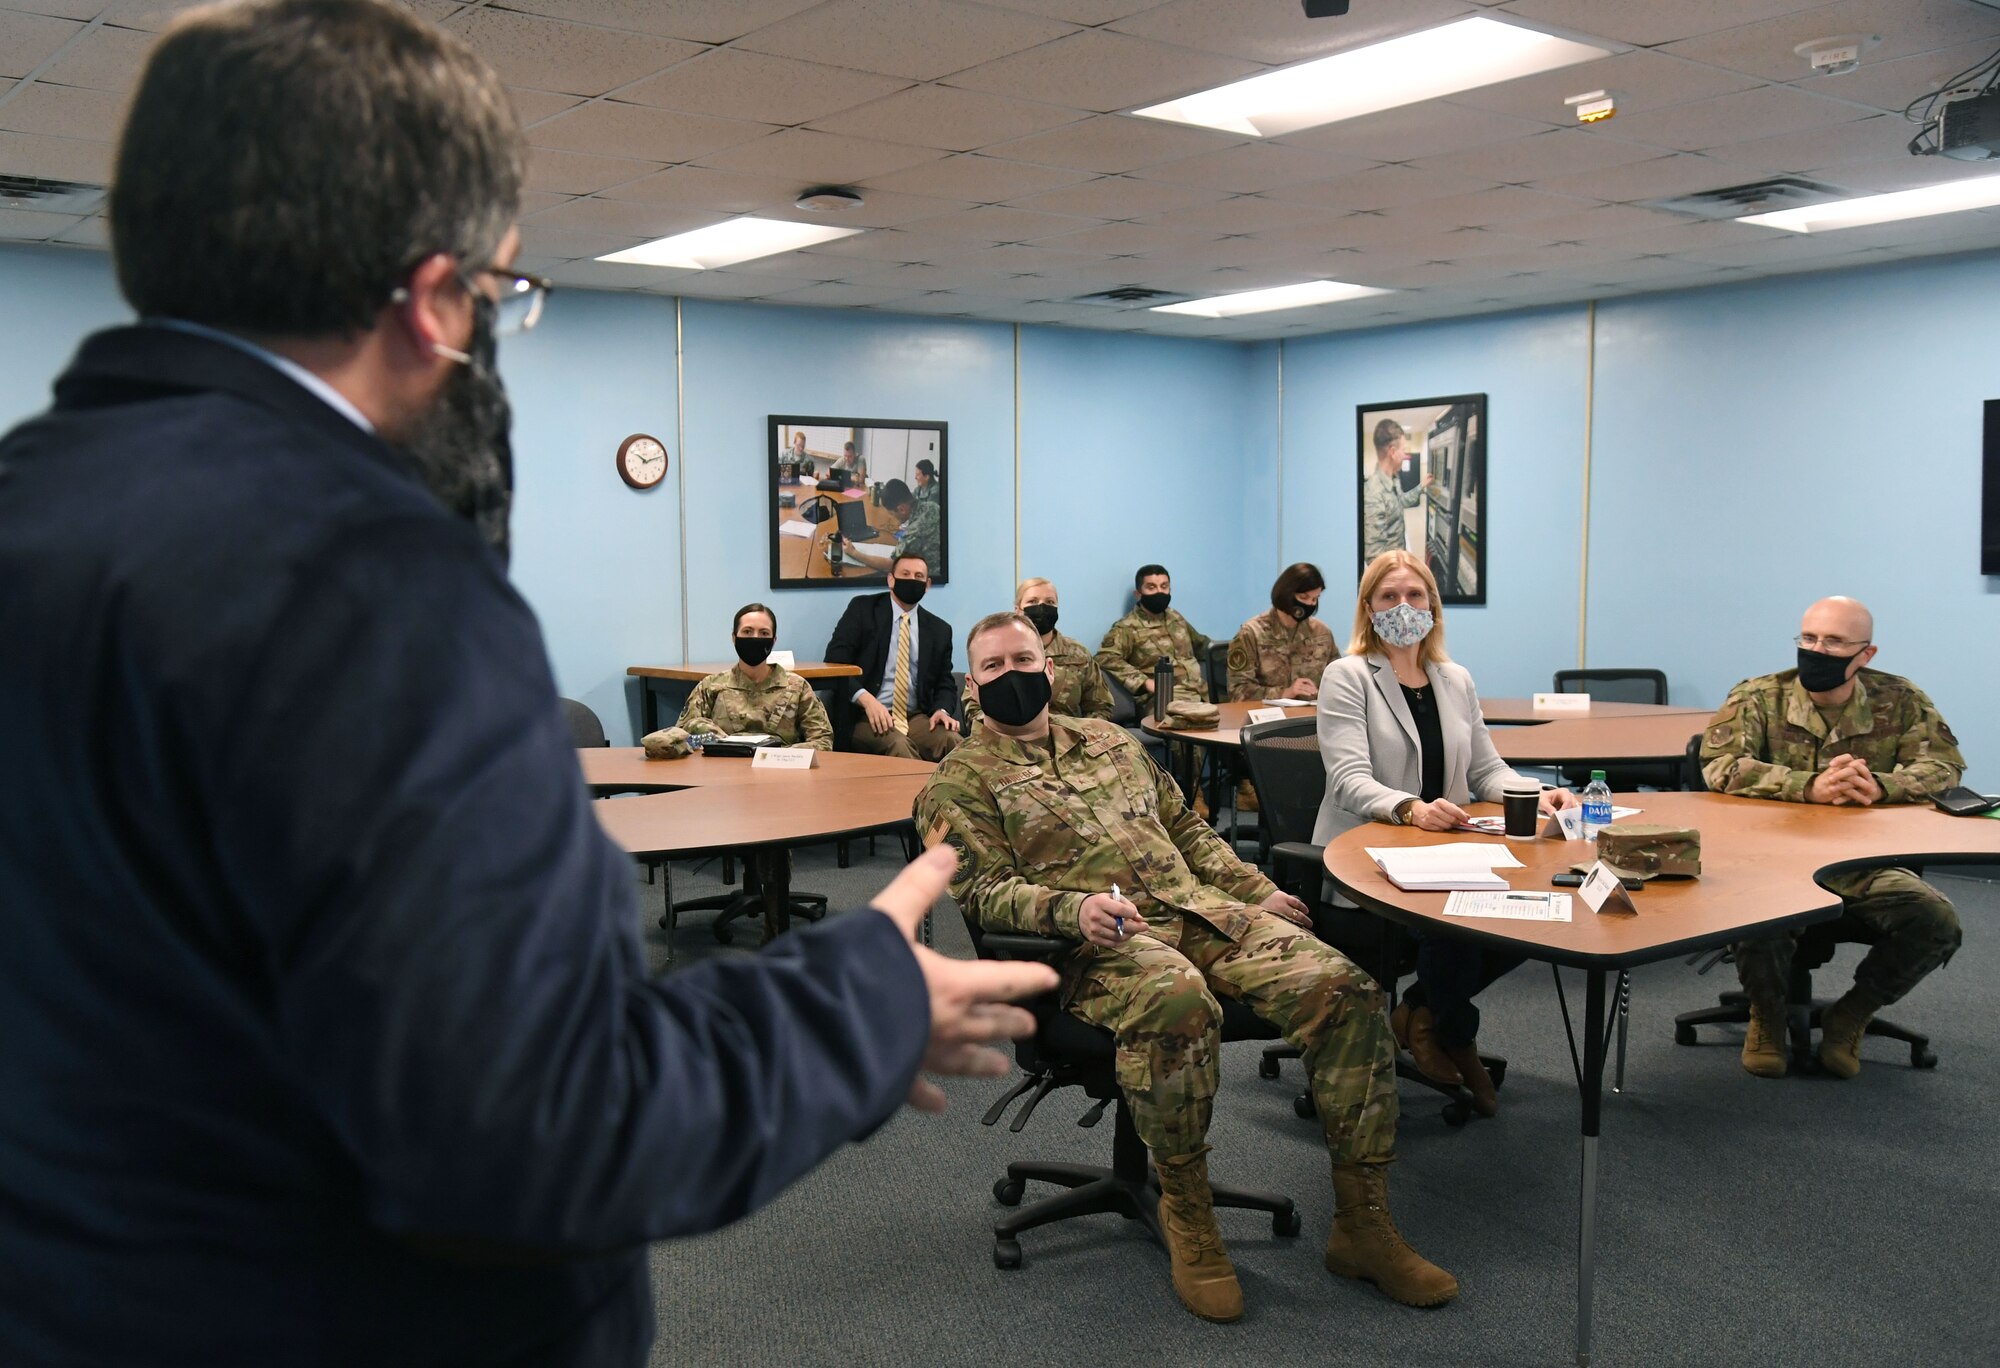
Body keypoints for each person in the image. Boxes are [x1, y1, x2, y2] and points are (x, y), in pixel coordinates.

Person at [0, 4, 1057, 1364]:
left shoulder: (34, 506)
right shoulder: (372, 578)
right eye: (503, 295)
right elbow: (530, 1132)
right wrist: (859, 1005)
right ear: (434, 298)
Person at [919, 612, 1458, 1323]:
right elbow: (984, 893)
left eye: (1025, 659)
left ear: (1050, 669)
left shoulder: (1114, 742)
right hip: (1094, 946)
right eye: (994, 667)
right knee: (1180, 1000)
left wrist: (1254, 889)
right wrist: (1069, 909)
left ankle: (1363, 1224)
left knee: (1344, 987)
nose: (1013, 675)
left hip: (1198, 911)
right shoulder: (959, 780)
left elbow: (1189, 831)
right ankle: (1189, 1215)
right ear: (971, 683)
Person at [1311, 551, 1575, 1116]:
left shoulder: (1454, 679)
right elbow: (1349, 781)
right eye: (1388, 597)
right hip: (1370, 856)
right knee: (1451, 928)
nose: (1403, 607)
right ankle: (1455, 1035)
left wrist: (1534, 792)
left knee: (1535, 910)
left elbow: (1485, 771)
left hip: (1451, 848)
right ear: (1368, 607)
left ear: (1432, 605)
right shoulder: (1348, 675)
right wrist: (1410, 808)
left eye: (1415, 595)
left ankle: (1424, 1010)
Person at [1701, 595, 1966, 1080]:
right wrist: (1808, 786)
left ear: (1866, 654)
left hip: (1862, 860)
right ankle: (1768, 1017)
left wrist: (1884, 785)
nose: (1817, 650)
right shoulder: (1759, 696)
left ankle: (1850, 1016)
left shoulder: (1900, 699)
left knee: (1936, 921)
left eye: (1835, 641)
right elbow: (1719, 766)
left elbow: (1944, 766)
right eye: (1809, 638)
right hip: (1772, 858)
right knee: (1758, 914)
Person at [646, 604, 835, 941]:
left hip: (777, 791)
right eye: (747, 633)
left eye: (763, 634)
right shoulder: (712, 686)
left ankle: (775, 932)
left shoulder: (796, 687)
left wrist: (778, 757)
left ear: (774, 640)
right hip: (721, 792)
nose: (754, 639)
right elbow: (684, 729)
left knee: (770, 830)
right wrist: (711, 731)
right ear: (734, 637)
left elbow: (823, 740)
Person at [824, 553, 960, 761]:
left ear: (927, 584)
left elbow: (945, 682)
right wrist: (867, 700)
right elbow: (835, 663)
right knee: (899, 746)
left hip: (915, 716)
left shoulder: (939, 629)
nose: (912, 580)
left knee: (953, 742)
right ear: (891, 579)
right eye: (905, 574)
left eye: (918, 576)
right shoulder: (862, 610)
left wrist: (942, 710)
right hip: (865, 715)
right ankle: (916, 795)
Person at [960, 577, 1113, 726]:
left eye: (1050, 602)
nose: (1042, 607)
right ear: (1018, 609)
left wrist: (1081, 733)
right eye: (1032, 601)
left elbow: (1100, 705)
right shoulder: (995, 651)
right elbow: (974, 706)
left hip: (1069, 740)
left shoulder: (1078, 654)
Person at [1097, 563, 1210, 705]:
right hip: (1162, 699)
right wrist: (1144, 682)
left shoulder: (1175, 617)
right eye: (1151, 587)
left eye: (1164, 586)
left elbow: (1203, 646)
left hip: (1201, 693)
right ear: (1138, 594)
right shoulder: (1127, 627)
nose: (1159, 592)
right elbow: (1105, 657)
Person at [1228, 561, 1337, 702]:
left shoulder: (1322, 633)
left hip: (1312, 716)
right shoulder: (1251, 633)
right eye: (1304, 597)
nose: (1310, 604)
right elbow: (1237, 691)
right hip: (1268, 717)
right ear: (1287, 593)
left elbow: (1338, 679)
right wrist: (1285, 693)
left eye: (1315, 599)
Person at [838, 476, 941, 580]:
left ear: (901, 509)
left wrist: (854, 553)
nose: (892, 518)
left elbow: (890, 565)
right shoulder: (933, 506)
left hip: (931, 579)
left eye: (891, 514)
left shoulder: (914, 531)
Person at [1361, 419, 1433, 563]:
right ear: (1393, 452)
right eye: (1403, 450)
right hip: (1391, 576)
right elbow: (1375, 558)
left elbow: (1402, 501)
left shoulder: (1394, 479)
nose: (1405, 455)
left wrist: (1421, 486)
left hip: (1399, 562)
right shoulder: (1374, 493)